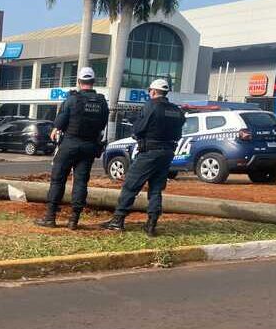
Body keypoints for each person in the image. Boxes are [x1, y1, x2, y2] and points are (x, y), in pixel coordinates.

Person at [101, 79, 186, 237]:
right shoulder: (176, 110)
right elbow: (178, 131)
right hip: (167, 153)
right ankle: (151, 224)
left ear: (153, 91)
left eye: (149, 91)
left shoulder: (151, 106)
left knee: (130, 185)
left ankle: (117, 221)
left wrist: (136, 122)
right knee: (156, 189)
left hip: (149, 152)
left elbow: (139, 131)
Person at [35, 67, 109, 230]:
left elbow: (60, 122)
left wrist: (55, 130)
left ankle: (50, 217)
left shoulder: (72, 99)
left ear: (79, 82)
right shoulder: (102, 102)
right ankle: (74, 220)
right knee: (81, 182)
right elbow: (103, 123)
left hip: (70, 143)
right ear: (93, 82)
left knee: (58, 179)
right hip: (89, 145)